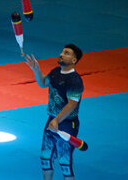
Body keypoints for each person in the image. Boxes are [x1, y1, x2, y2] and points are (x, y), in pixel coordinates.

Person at [24, 44, 84, 180]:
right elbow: (43, 82)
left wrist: (57, 120)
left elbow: (72, 105)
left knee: (64, 161)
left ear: (74, 60)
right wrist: (36, 69)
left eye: (67, 53)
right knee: (45, 157)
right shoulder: (56, 72)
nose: (62, 54)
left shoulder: (75, 81)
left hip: (67, 124)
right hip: (52, 120)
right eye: (62, 52)